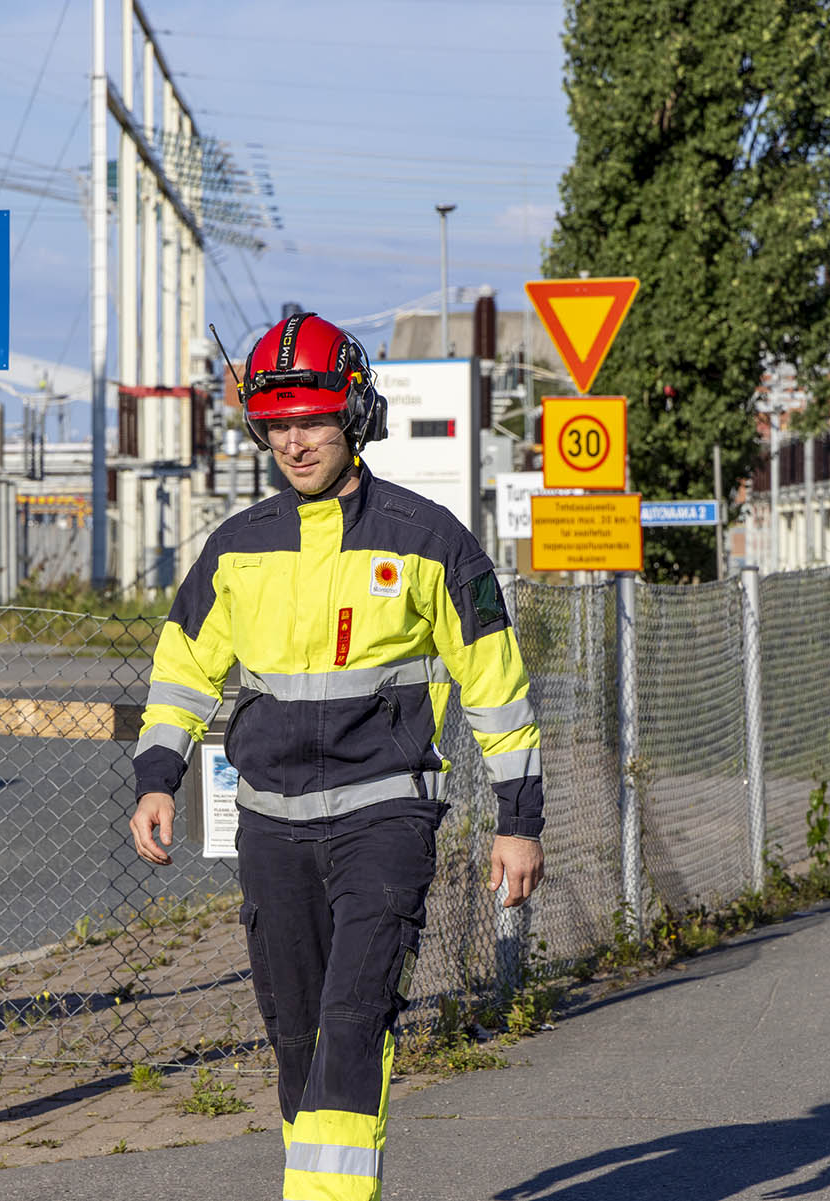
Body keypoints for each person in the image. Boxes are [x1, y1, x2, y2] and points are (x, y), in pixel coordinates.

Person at [129, 311, 545, 1201]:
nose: (295, 440)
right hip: (271, 828)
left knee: (354, 1020)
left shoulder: (431, 539)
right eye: (278, 424)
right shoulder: (237, 548)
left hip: (385, 817)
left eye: (313, 418)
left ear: (353, 415)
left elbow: (498, 688)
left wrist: (519, 822)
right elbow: (181, 672)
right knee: (296, 1034)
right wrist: (156, 778)